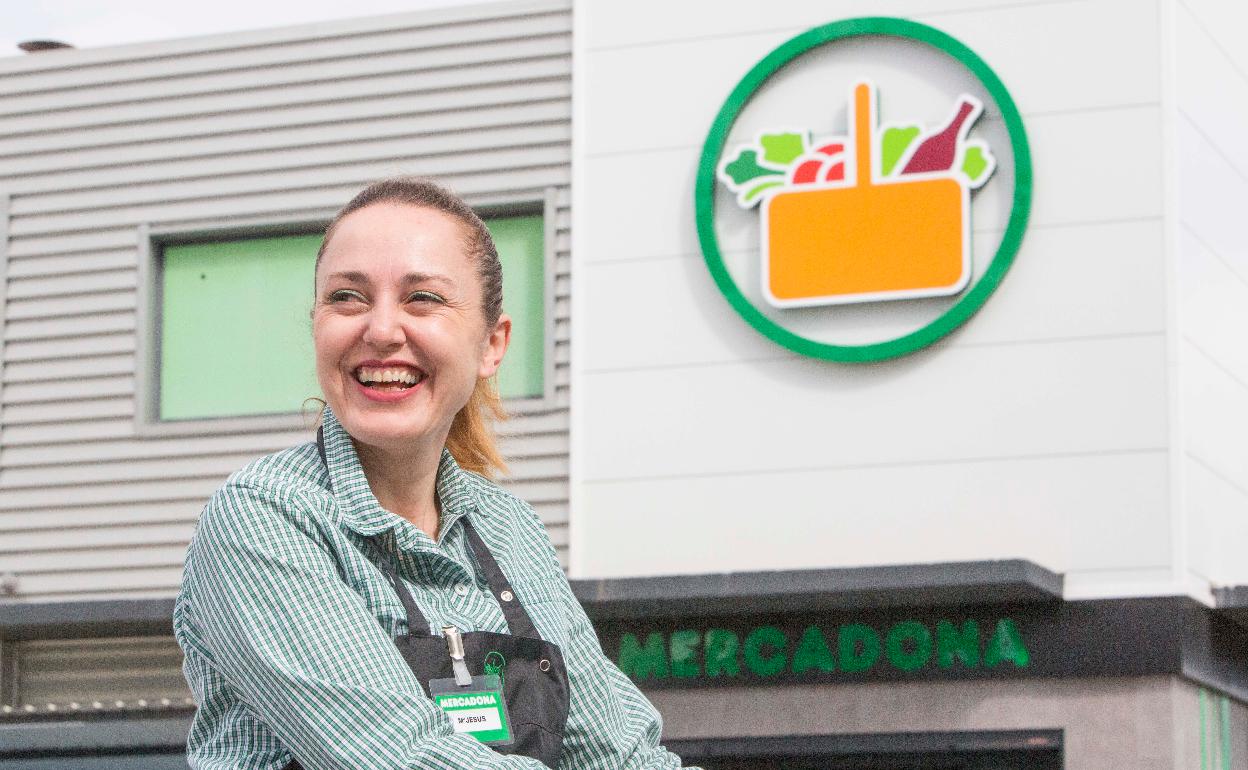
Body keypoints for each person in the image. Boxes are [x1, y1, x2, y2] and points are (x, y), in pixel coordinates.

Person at [173, 177, 698, 770]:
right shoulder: (264, 517)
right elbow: (402, 756)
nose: (381, 329)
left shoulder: (510, 532)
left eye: (422, 298)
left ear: (491, 345)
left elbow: (620, 753)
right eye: (347, 297)